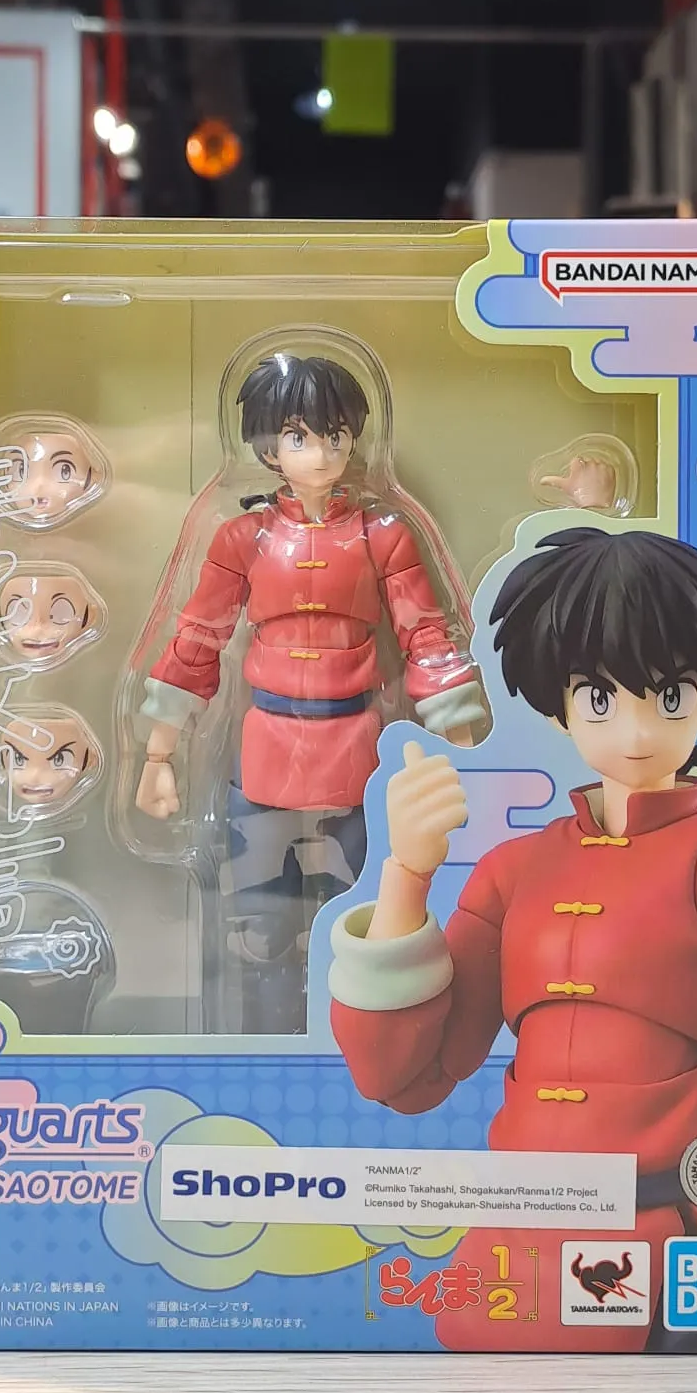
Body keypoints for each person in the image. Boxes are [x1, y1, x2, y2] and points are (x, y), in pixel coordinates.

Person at [328, 526, 697, 1351]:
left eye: (671, 694)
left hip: (660, 1251)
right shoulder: (513, 872)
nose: (636, 732)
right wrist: (406, 874)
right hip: (515, 1250)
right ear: (559, 707)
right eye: (600, 697)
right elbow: (407, 1077)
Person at [137, 352, 486, 1031]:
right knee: (260, 922)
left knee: (364, 910)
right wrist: (159, 753)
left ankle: (354, 1037)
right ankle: (267, 1040)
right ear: (269, 447)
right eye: (300, 437)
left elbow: (425, 635)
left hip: (355, 748)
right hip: (265, 750)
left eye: (335, 435)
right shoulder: (244, 536)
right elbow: (198, 638)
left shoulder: (382, 535)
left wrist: (462, 746)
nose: (321, 453)